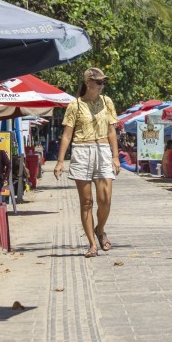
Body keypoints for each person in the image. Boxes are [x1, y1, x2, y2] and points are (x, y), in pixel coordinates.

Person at [54, 67, 119, 258]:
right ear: (88, 83)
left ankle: (100, 229)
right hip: (82, 150)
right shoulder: (75, 105)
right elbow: (67, 135)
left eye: (103, 83)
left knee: (105, 199)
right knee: (87, 202)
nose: (101, 85)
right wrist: (59, 162)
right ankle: (92, 243)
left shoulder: (107, 102)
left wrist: (115, 156)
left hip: (103, 150)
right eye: (98, 82)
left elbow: (111, 131)